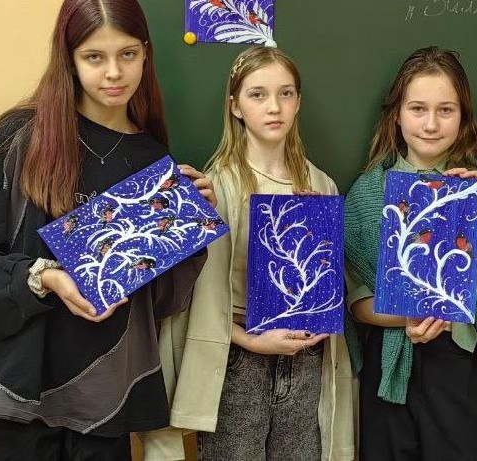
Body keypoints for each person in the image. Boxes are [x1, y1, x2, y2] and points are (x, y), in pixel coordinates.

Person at [0, 0, 214, 460]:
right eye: (94, 57)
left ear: (145, 54)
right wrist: (44, 278)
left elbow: (159, 302)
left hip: (104, 398)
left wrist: (187, 225)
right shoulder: (18, 138)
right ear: (69, 59)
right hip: (14, 394)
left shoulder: (151, 159)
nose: (114, 73)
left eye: (128, 54)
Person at [141, 46, 355, 461]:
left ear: (298, 102)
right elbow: (201, 300)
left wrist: (320, 322)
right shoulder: (217, 187)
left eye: (286, 94)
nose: (274, 107)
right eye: (258, 95)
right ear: (235, 106)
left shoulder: (321, 186)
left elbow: (327, 284)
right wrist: (251, 341)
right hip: (239, 362)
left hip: (305, 360)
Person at [344, 46, 477, 460]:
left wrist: (467, 212)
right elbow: (357, 305)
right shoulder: (367, 195)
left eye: (446, 110)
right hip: (391, 368)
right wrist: (411, 317)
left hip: (465, 368)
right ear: (397, 115)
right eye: (418, 109)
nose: (431, 124)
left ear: (463, 116)